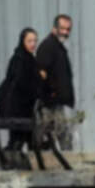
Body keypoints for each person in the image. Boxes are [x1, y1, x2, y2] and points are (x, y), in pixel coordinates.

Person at [0, 28, 42, 152]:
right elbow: (21, 84)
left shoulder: (28, 58)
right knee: (18, 141)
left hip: (24, 110)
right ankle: (9, 165)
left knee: (26, 141)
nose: (33, 44)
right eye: (29, 41)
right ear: (23, 41)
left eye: (35, 41)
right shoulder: (20, 59)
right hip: (18, 110)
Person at [35, 13, 76, 151]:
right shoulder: (48, 46)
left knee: (56, 135)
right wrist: (51, 91)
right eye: (62, 28)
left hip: (56, 102)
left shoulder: (58, 47)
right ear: (55, 28)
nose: (65, 32)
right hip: (49, 102)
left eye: (68, 29)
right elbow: (41, 72)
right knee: (58, 135)